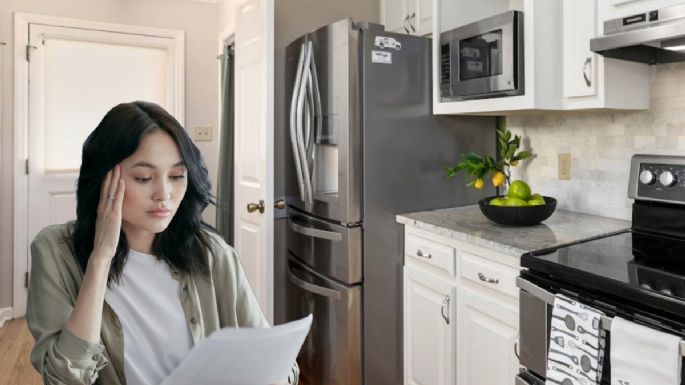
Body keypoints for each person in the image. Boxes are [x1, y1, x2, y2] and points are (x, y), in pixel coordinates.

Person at [26, 101, 298, 385]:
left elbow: (283, 367)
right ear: (103, 178)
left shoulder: (213, 255)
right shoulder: (55, 252)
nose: (164, 194)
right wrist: (101, 258)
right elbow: (64, 379)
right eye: (144, 178)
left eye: (177, 176)